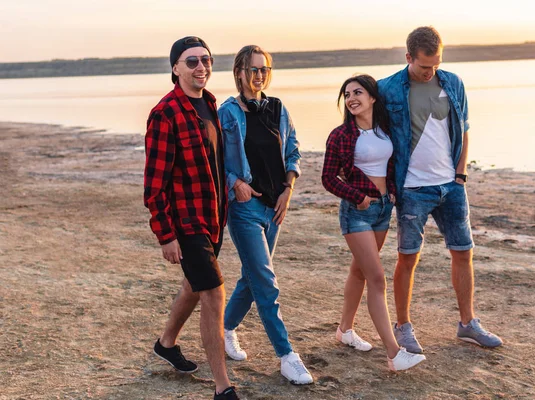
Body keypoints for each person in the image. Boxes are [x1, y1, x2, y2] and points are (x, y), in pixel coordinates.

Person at [377, 26, 503, 353]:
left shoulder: (453, 83)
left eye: (436, 64)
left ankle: (467, 324)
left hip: (451, 186)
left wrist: (460, 176)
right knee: (408, 258)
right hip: (411, 189)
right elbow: (373, 136)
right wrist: (385, 183)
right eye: (424, 66)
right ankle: (403, 327)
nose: (431, 71)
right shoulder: (387, 89)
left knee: (463, 251)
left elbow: (464, 130)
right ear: (408, 58)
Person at [143, 36, 239, 400]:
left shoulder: (210, 103)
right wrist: (165, 234)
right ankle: (222, 387)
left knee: (194, 286)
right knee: (214, 294)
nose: (201, 67)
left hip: (213, 217)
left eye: (206, 60)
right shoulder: (165, 113)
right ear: (175, 69)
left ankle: (166, 343)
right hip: (186, 223)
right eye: (192, 62)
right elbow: (154, 185)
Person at [217, 45, 313, 385]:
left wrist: (289, 188)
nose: (260, 75)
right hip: (244, 209)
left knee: (252, 276)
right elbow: (213, 159)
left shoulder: (277, 108)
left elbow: (293, 149)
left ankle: (224, 329)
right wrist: (234, 182)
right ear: (240, 72)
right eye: (254, 69)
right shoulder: (228, 112)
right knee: (266, 282)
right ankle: (287, 356)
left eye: (265, 69)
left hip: (275, 207)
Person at [321, 74, 426, 371]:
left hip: (382, 210)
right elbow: (328, 178)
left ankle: (345, 330)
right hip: (357, 212)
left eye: (358, 92)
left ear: (373, 98)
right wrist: (357, 197)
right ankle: (394, 353)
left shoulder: (384, 131)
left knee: (360, 271)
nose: (352, 98)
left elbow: (389, 165)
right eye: (347, 94)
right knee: (377, 278)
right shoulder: (340, 134)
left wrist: (390, 192)